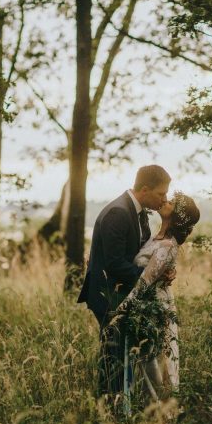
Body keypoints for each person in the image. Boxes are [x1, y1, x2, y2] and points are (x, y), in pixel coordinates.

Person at [78, 165, 173, 396]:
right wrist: (152, 277)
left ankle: (122, 403)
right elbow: (114, 263)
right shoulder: (118, 213)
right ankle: (110, 404)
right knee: (114, 354)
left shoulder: (138, 212)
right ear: (145, 189)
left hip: (122, 292)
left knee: (123, 353)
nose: (164, 199)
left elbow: (138, 253)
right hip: (107, 294)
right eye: (161, 194)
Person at [118, 192, 200, 403]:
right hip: (147, 299)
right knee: (147, 355)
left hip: (153, 303)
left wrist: (125, 305)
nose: (165, 200)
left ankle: (160, 407)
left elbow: (146, 280)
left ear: (176, 216)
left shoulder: (168, 245)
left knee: (155, 356)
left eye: (171, 202)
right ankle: (147, 405)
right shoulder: (156, 236)